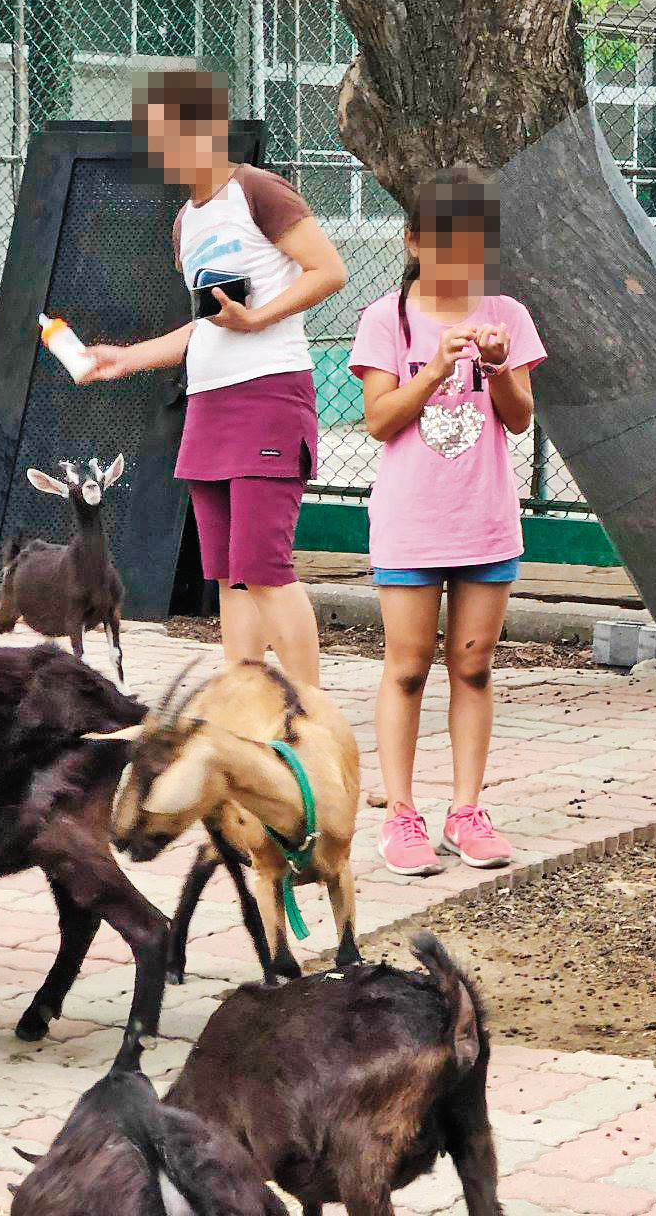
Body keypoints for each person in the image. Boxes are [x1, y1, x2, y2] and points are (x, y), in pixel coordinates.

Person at [84, 68, 345, 686]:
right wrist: (125, 356)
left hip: (269, 393)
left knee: (265, 566)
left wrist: (257, 319)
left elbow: (328, 271)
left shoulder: (258, 190)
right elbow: (203, 325)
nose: (156, 150)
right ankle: (247, 701)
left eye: (164, 133)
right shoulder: (185, 222)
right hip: (208, 405)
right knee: (227, 571)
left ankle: (309, 713)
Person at [347, 166, 545, 877]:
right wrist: (432, 370)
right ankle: (402, 816)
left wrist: (495, 368)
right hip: (410, 524)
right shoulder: (385, 318)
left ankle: (466, 811)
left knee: (474, 664)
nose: (463, 261)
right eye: (448, 244)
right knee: (406, 669)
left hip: (485, 522)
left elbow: (521, 421)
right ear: (415, 241)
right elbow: (378, 422)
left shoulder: (508, 316)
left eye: (476, 246)